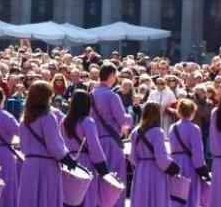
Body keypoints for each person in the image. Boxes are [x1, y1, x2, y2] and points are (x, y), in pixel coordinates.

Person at [18, 80, 78, 207]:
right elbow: (55, 146)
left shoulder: (24, 120)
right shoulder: (48, 117)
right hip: (47, 167)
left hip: (29, 166)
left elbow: (23, 146)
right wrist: (68, 159)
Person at [91, 64, 131, 207]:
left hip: (94, 142)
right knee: (115, 181)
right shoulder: (112, 95)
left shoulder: (90, 94)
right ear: (111, 76)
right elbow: (123, 120)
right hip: (111, 142)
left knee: (98, 181)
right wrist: (130, 118)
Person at [60, 89, 109, 207]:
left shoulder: (64, 122)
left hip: (68, 163)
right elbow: (95, 148)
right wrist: (104, 170)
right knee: (87, 199)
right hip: (85, 163)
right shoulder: (88, 122)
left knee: (69, 199)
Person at [129, 101, 180, 207]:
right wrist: (174, 168)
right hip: (156, 171)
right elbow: (161, 158)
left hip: (140, 169)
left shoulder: (135, 132)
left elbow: (132, 156)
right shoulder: (157, 132)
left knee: (141, 201)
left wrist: (141, 165)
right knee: (157, 200)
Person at [168, 99, 209, 207]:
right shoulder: (194, 129)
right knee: (190, 197)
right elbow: (198, 153)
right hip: (190, 165)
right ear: (192, 112)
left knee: (176, 198)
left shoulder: (172, 128)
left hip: (175, 164)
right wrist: (203, 170)